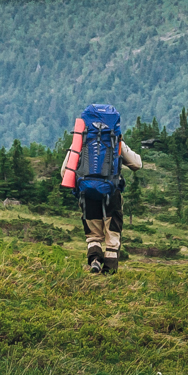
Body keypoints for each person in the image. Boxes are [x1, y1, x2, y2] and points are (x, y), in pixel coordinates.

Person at [60, 103, 142, 275]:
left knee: (93, 234)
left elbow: (64, 171)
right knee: (112, 233)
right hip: (111, 192)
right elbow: (137, 164)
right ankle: (109, 273)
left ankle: (95, 261)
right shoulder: (115, 141)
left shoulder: (80, 141)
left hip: (87, 192)